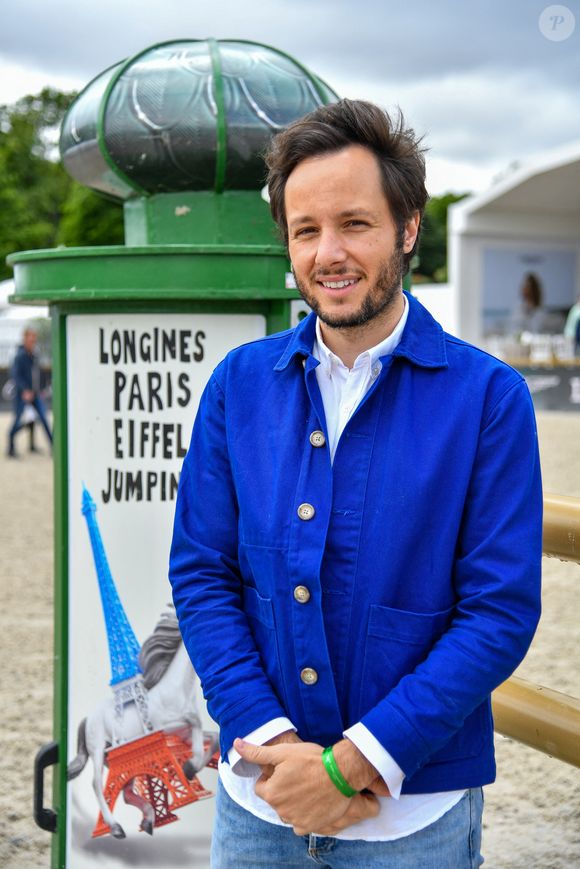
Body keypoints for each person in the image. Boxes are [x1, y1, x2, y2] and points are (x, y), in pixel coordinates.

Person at [169, 100, 542, 867]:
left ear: (407, 228)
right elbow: (202, 575)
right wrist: (274, 743)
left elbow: (498, 611)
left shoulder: (490, 398)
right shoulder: (238, 384)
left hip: (413, 820)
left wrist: (351, 763)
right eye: (306, 230)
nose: (329, 253)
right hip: (259, 803)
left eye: (355, 224)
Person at [7, 328, 53, 458]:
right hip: (23, 394)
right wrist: (24, 390)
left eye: (34, 339)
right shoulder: (19, 356)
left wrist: (42, 389)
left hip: (35, 393)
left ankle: (52, 446)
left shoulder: (34, 356)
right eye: (31, 338)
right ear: (25, 338)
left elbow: (39, 374)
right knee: (18, 421)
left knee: (43, 418)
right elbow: (15, 375)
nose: (33, 341)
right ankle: (10, 447)